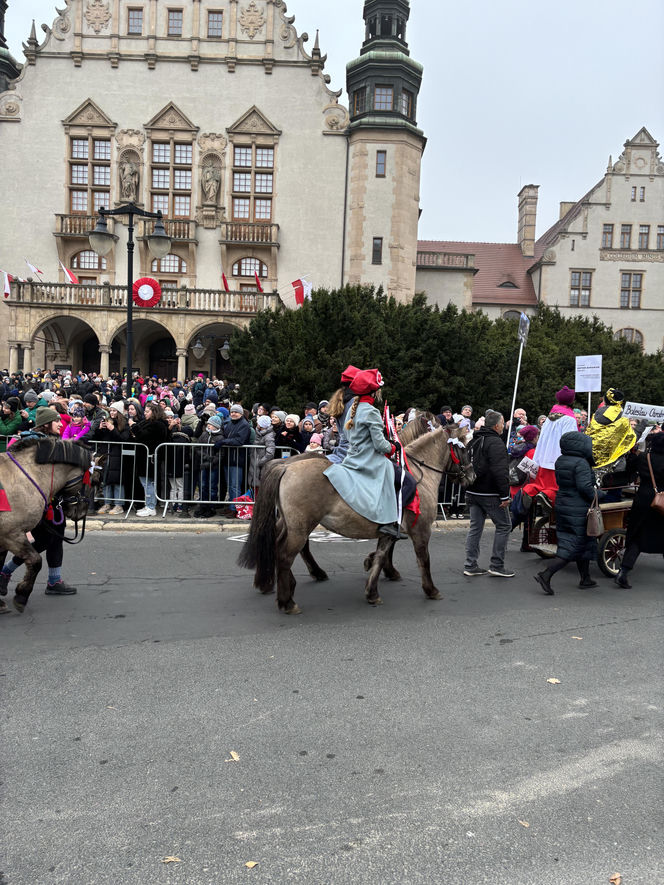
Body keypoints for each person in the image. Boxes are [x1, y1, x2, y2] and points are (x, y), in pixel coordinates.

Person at [0, 406, 79, 612]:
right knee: (39, 540)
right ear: (46, 424)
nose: (61, 424)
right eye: (57, 421)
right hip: (30, 502)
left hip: (48, 501)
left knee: (54, 537)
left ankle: (53, 580)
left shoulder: (50, 444)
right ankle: (7, 572)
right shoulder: (34, 443)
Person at [324, 368, 401, 538]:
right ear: (374, 393)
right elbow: (380, 445)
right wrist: (394, 447)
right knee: (389, 470)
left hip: (352, 456)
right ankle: (388, 522)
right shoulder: (371, 411)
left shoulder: (354, 409)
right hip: (368, 458)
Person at [533, 431, 599, 595]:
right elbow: (584, 488)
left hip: (563, 502)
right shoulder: (581, 463)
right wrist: (599, 495)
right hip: (577, 506)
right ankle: (546, 574)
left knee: (577, 541)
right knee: (574, 544)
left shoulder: (561, 460)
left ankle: (585, 578)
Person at [463, 409, 514, 578]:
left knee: (475, 527)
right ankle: (497, 565)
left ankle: (470, 565)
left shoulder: (474, 441)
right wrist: (505, 495)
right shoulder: (496, 443)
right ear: (498, 425)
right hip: (490, 492)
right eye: (502, 423)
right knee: (504, 526)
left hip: (472, 490)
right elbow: (500, 471)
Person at [615, 432, 664, 588]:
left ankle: (623, 571)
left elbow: (629, 473)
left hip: (642, 499)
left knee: (637, 535)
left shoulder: (643, 458)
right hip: (661, 500)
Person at [522, 386, 578, 506]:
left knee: (540, 485)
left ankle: (529, 491)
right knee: (556, 489)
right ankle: (546, 496)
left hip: (543, 459)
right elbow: (570, 442)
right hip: (558, 462)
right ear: (571, 401)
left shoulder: (549, 418)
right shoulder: (569, 419)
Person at [128, 401, 168, 517]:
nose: (145, 413)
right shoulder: (148, 423)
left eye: (147, 411)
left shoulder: (157, 424)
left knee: (148, 483)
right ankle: (148, 505)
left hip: (150, 458)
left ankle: (151, 507)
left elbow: (143, 436)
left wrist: (133, 426)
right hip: (144, 457)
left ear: (153, 412)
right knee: (146, 483)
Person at [91, 402, 131, 514]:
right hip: (105, 454)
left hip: (118, 455)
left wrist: (113, 428)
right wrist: (99, 429)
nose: (112, 413)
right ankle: (107, 503)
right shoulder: (106, 421)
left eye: (114, 410)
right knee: (105, 480)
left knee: (117, 480)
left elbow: (123, 439)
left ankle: (119, 505)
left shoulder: (124, 423)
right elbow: (97, 438)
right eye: (111, 410)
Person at [215, 403, 251, 517]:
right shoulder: (229, 423)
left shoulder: (244, 425)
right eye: (232, 412)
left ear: (241, 413)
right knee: (230, 485)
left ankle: (235, 508)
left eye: (236, 412)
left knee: (235, 485)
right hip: (228, 458)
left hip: (237, 459)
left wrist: (223, 442)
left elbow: (239, 441)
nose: (233, 414)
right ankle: (231, 506)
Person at [586, 387, 637, 470]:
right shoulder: (623, 417)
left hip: (593, 457)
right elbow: (629, 438)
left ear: (606, 400)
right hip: (616, 461)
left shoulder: (597, 413)